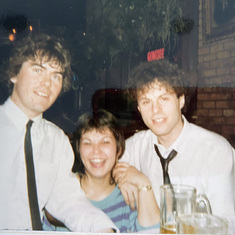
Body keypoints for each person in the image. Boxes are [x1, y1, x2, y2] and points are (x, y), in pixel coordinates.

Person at [0, 33, 118, 232]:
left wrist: (104, 230)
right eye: (38, 70)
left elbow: (68, 200)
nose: (47, 83)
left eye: (56, 76)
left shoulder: (56, 139)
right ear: (14, 74)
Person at [113, 59, 235, 230]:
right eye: (146, 102)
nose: (155, 110)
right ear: (139, 109)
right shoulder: (136, 146)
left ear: (181, 100)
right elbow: (104, 164)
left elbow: (227, 225)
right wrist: (121, 177)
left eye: (164, 98)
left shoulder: (215, 151)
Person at [43, 109, 160, 232]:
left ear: (118, 149)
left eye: (105, 142)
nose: (96, 151)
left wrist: (144, 183)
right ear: (78, 149)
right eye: (88, 143)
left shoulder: (128, 196)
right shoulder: (62, 194)